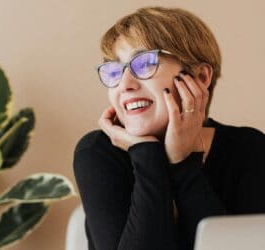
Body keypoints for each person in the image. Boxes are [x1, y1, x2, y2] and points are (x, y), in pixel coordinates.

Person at [73, 6, 265, 250]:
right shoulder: (97, 153)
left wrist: (184, 165)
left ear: (200, 77)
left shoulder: (248, 149)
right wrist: (146, 153)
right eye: (114, 70)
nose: (125, 84)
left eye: (144, 64)